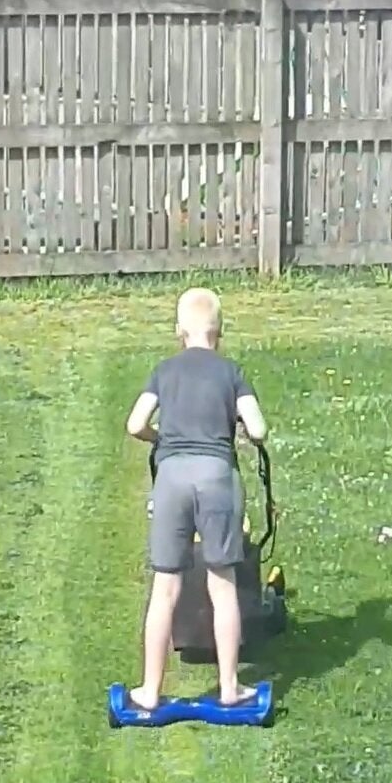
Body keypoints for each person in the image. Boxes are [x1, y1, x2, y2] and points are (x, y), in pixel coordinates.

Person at [125, 287, 268, 711]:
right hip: (216, 475)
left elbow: (135, 425)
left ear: (178, 332)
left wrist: (161, 437)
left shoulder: (164, 371)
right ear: (219, 333)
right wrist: (239, 428)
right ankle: (229, 687)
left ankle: (149, 691)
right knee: (221, 582)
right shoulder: (231, 372)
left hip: (171, 476)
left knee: (164, 587)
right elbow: (258, 430)